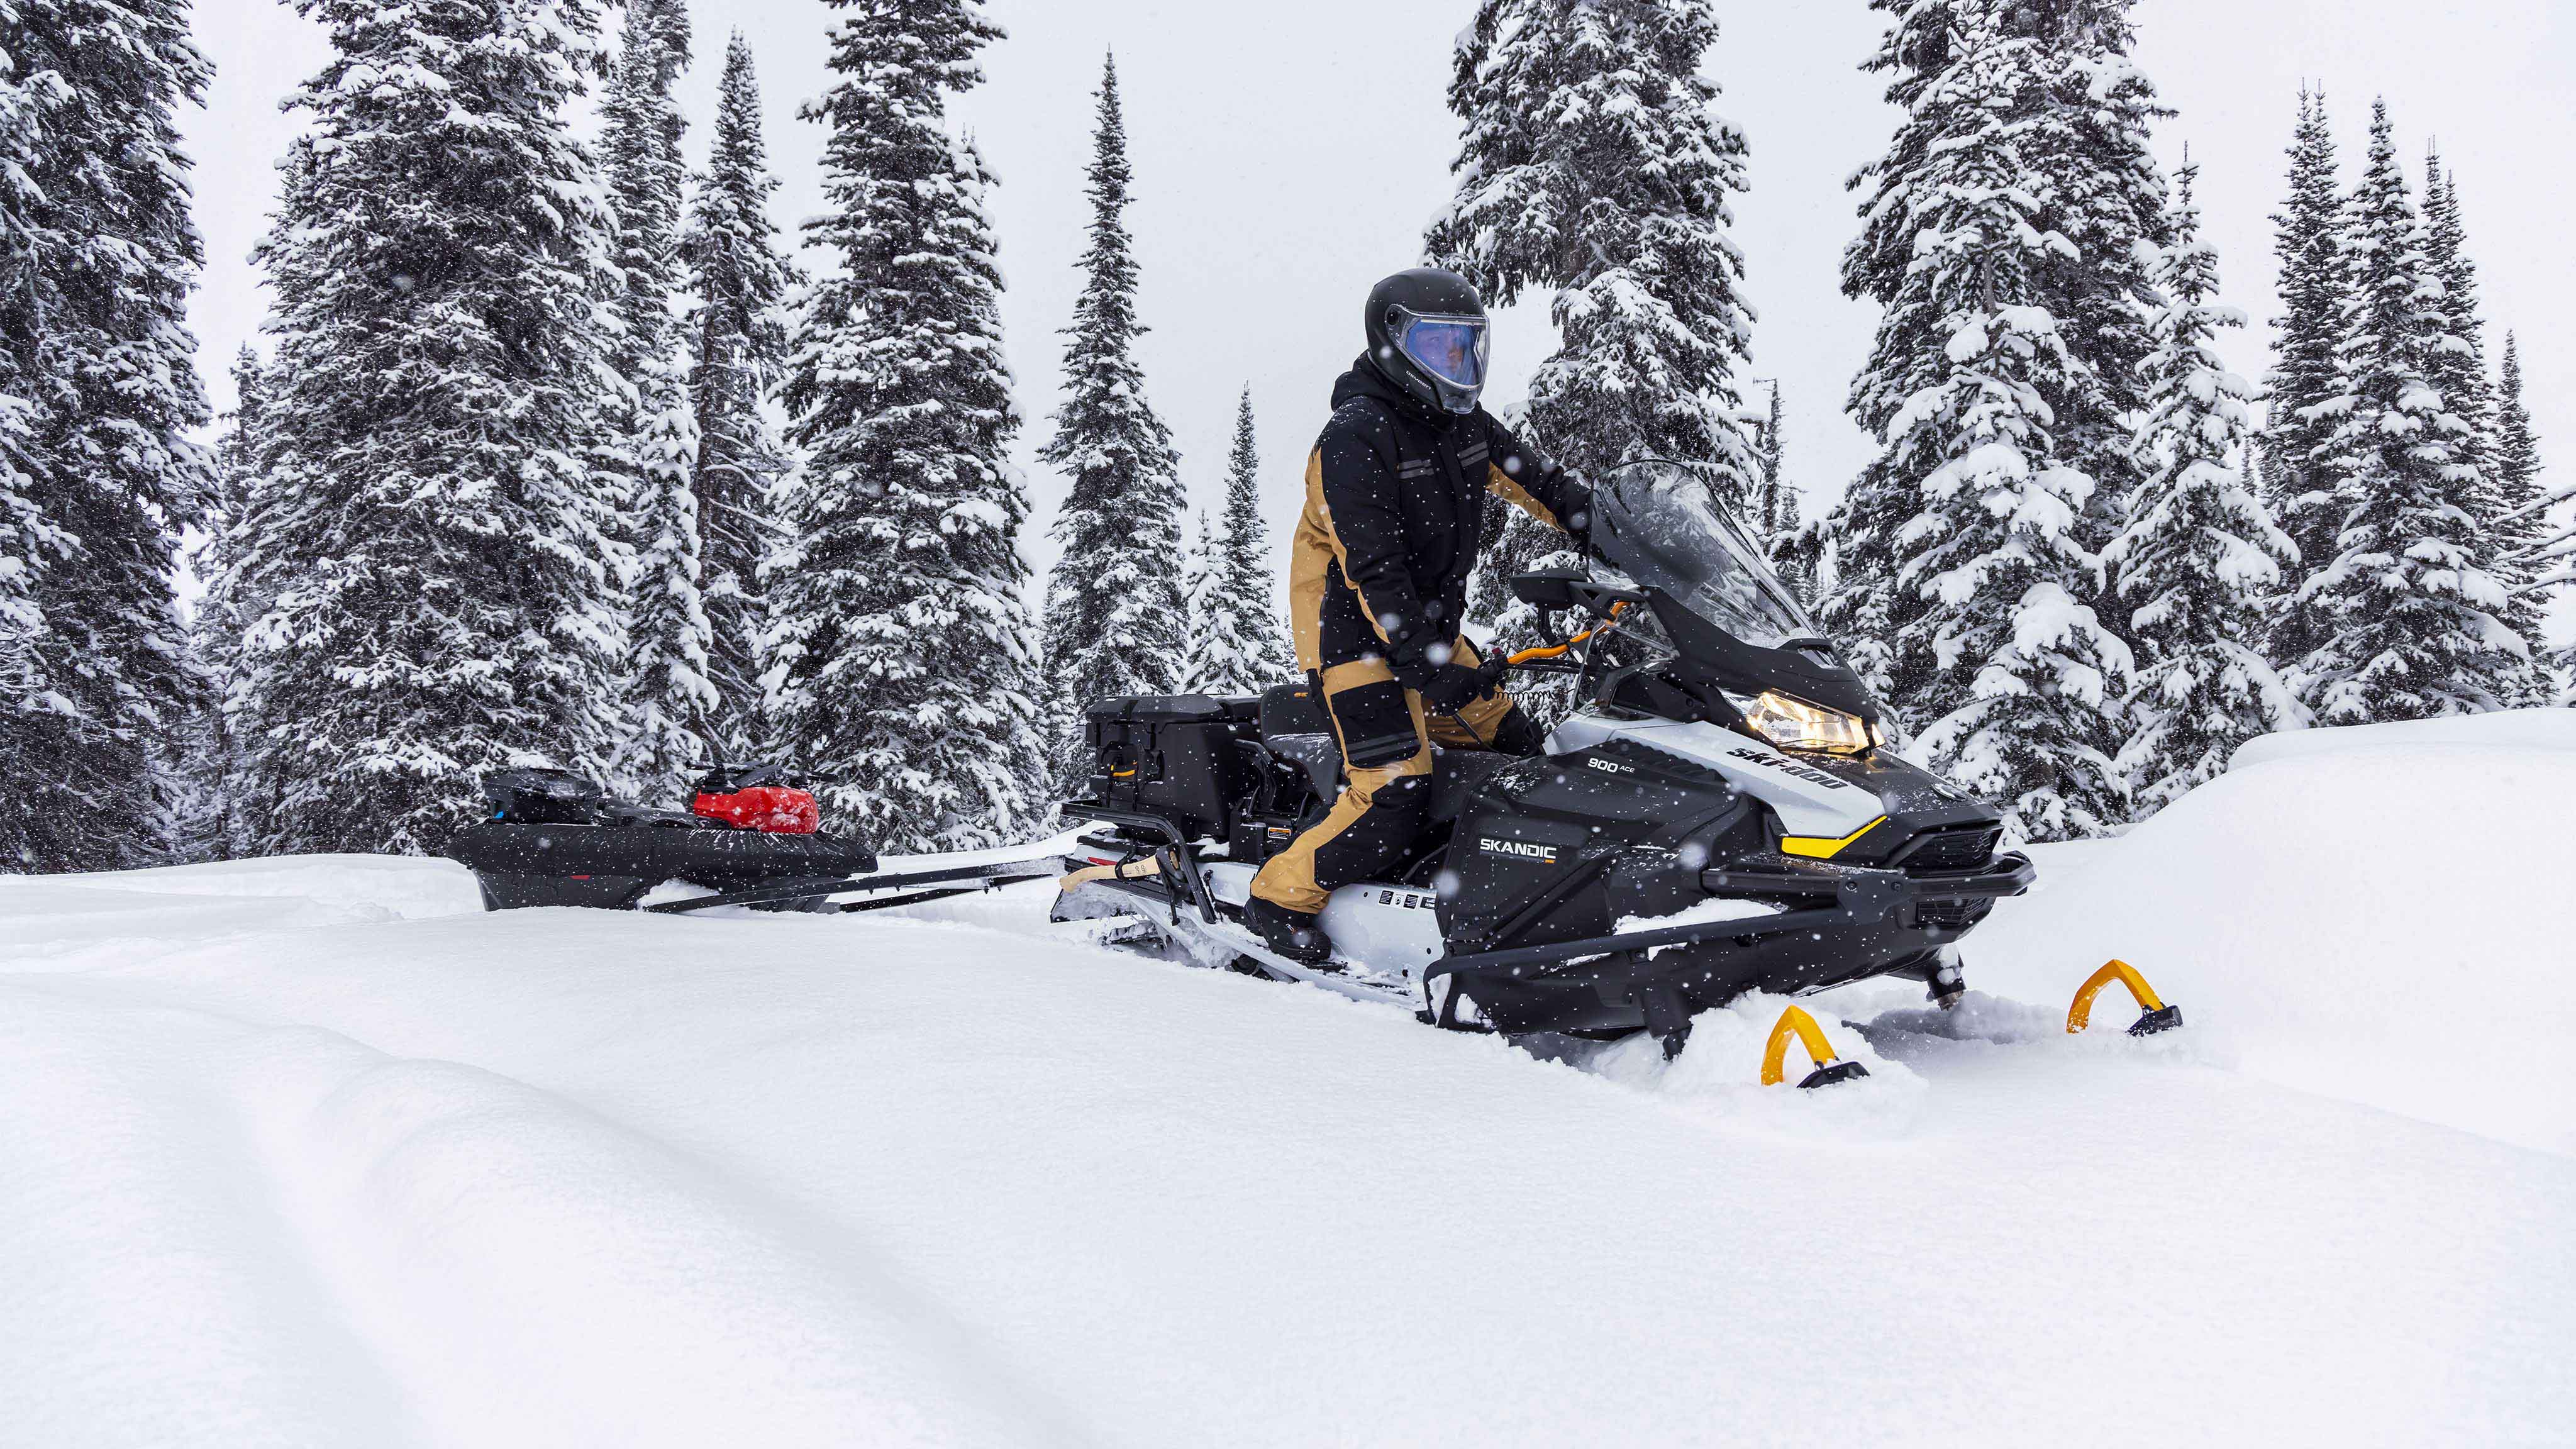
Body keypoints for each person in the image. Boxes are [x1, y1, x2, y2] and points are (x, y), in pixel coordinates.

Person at [1245, 267, 1589, 965]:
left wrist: (1609, 530)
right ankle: (1277, 897)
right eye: (1439, 348)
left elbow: (1540, 483)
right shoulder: (1354, 438)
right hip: (1351, 639)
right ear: (1393, 344)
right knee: (1395, 790)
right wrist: (1432, 669)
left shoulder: (1461, 426)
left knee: (1520, 752)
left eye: (1466, 348)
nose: (1455, 365)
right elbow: (1370, 568)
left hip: (1424, 633)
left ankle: (1478, 890)